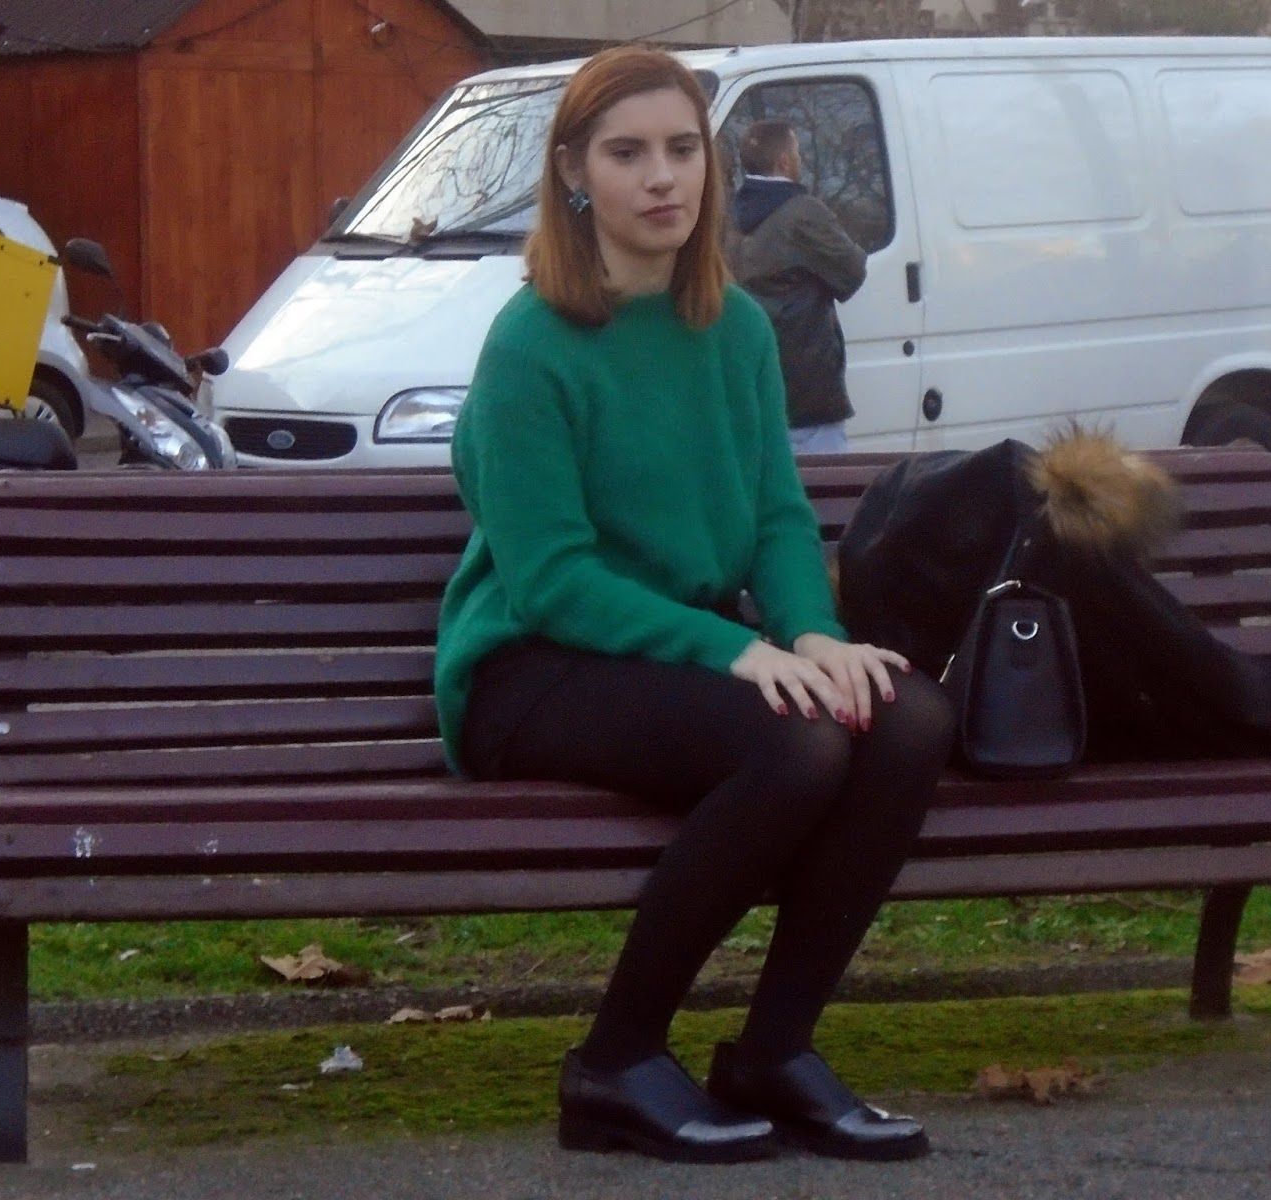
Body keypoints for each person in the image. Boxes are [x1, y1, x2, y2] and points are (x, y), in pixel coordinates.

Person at [434, 45, 954, 1166]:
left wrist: (812, 633)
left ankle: (774, 1051)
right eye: (627, 154)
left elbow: (775, 515)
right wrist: (735, 652)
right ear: (574, 173)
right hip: (532, 667)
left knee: (902, 716)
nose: (662, 177)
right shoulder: (531, 345)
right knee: (796, 745)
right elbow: (552, 579)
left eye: (682, 150)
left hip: (674, 656)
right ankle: (615, 1060)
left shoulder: (737, 329)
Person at [725, 118, 867, 455]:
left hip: (753, 387)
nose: (800, 159)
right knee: (826, 485)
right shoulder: (803, 213)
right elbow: (852, 271)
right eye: (799, 152)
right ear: (784, 162)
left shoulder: (727, 216)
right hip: (808, 392)